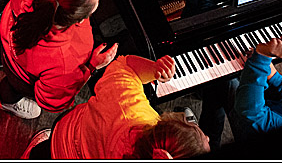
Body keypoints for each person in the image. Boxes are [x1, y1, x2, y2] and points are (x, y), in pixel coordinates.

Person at [0, 0, 117, 119]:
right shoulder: (73, 52)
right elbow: (51, 101)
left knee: (1, 54)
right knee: (12, 87)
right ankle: (7, 102)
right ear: (79, 20)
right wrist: (92, 66)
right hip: (21, 74)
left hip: (6, 39)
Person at [28, 53, 210, 159]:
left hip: (64, 136)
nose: (209, 138)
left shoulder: (128, 105)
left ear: (166, 125)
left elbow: (124, 65)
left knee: (41, 153)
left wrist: (154, 69)